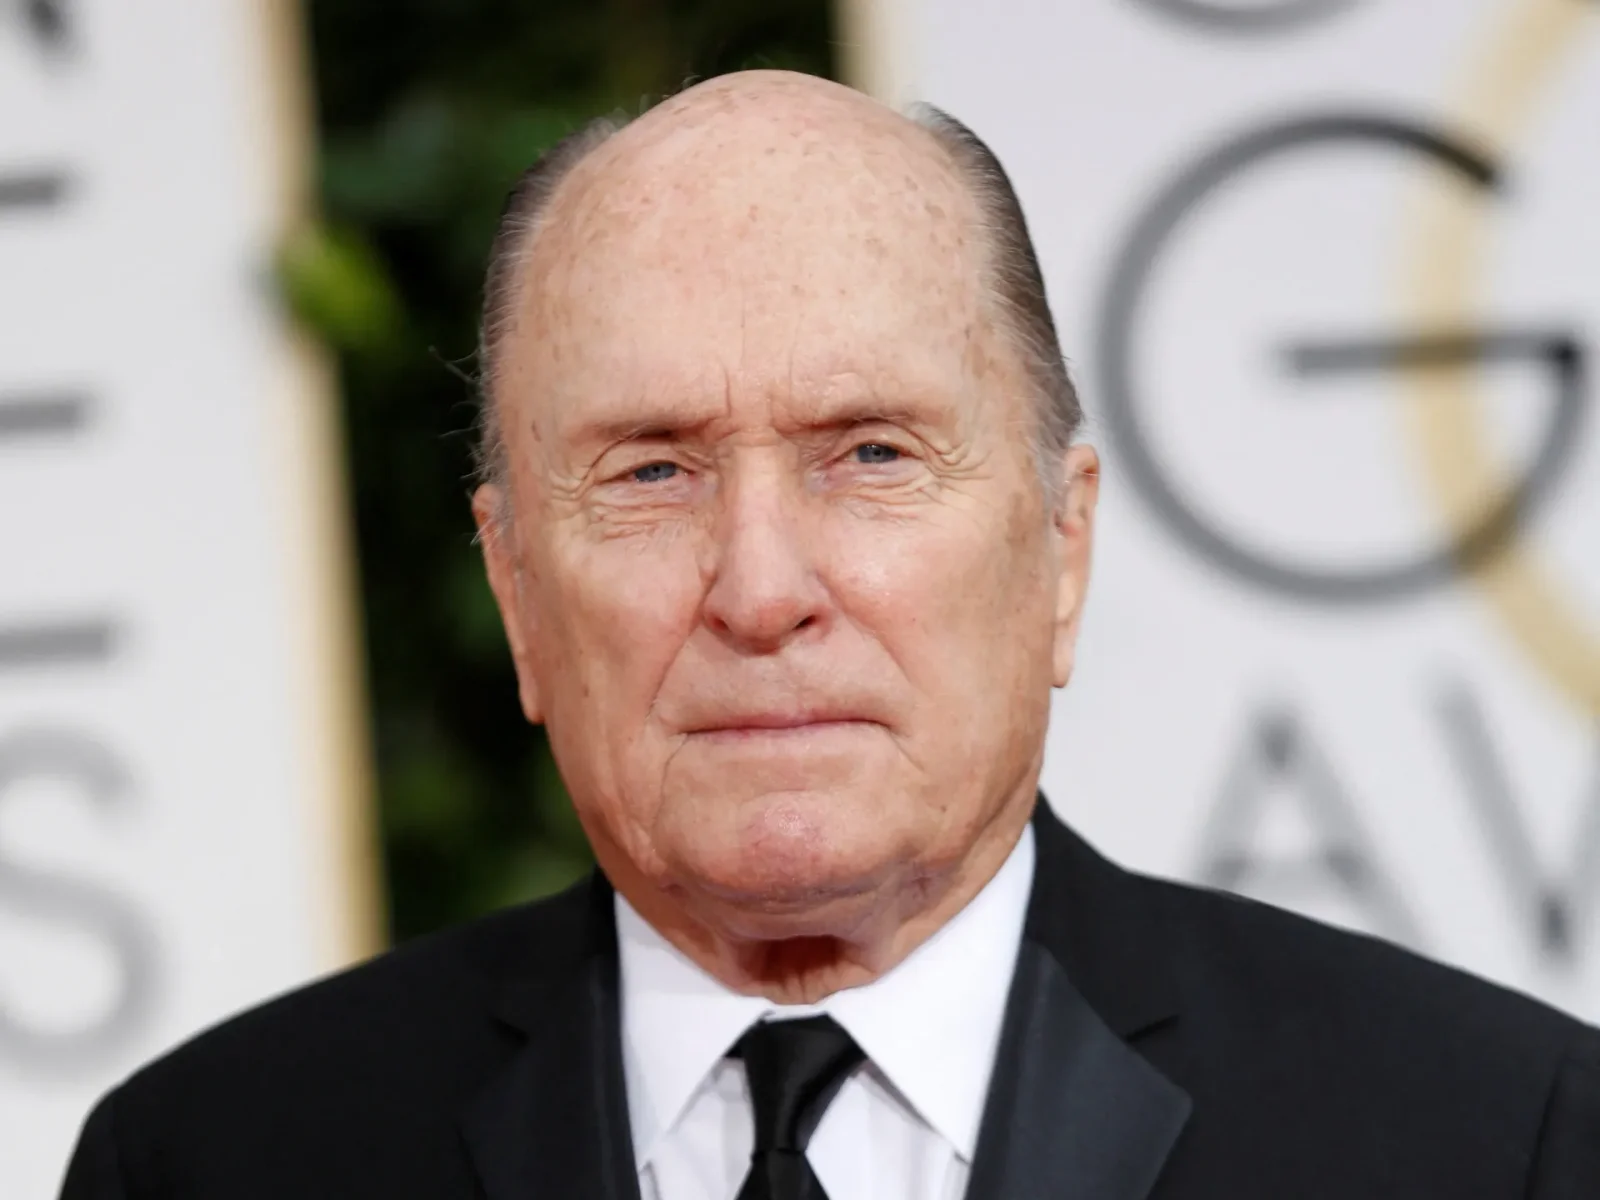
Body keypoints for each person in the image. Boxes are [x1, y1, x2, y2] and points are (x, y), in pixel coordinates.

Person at [61, 70, 1598, 1200]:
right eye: (650, 472)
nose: (760, 587)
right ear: (517, 590)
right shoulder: (211, 1164)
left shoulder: (1488, 1142)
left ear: (1060, 549)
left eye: (869, 453)